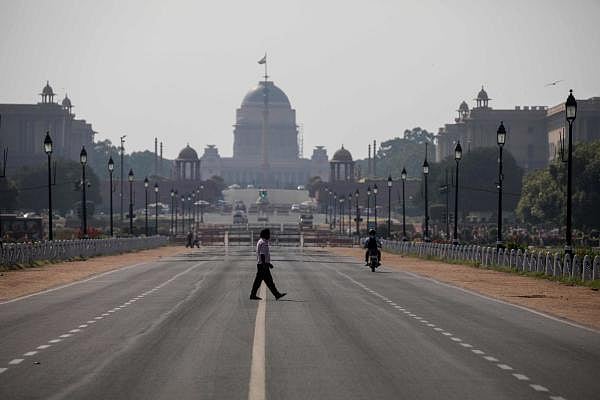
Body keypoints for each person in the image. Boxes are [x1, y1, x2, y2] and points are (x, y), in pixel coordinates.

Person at [250, 228, 286, 300]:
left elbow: (263, 255)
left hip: (262, 265)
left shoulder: (261, 241)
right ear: (265, 234)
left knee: (262, 281)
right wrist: (265, 264)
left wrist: (268, 264)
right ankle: (276, 294)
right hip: (263, 265)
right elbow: (262, 254)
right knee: (266, 281)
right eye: (268, 234)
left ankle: (276, 294)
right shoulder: (263, 243)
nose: (269, 235)